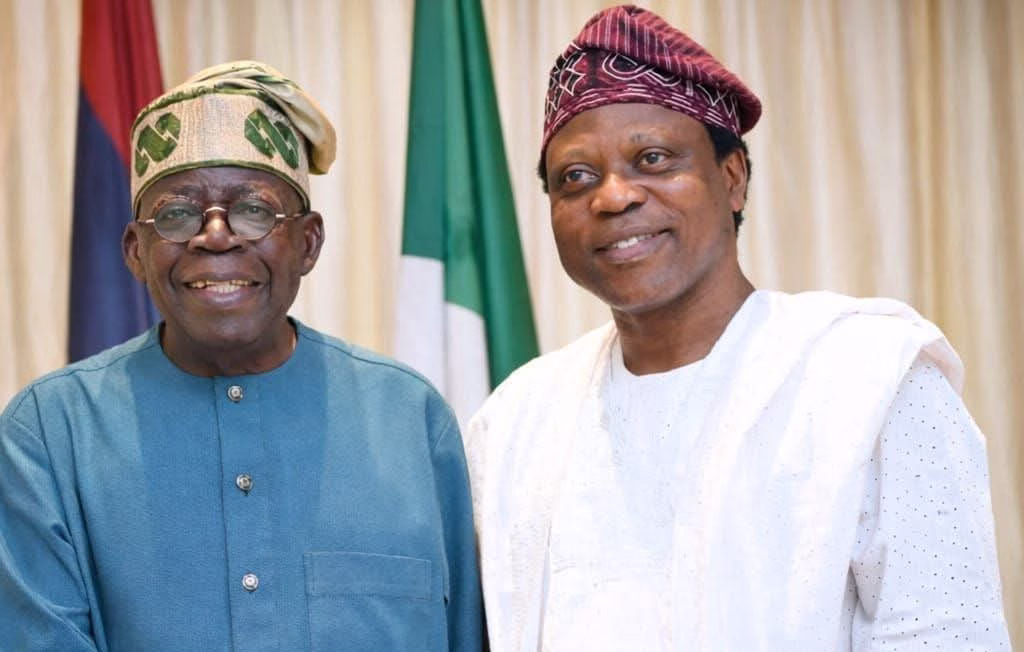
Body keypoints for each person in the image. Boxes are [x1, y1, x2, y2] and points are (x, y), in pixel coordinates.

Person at [465, 6, 1010, 650]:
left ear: (732, 179)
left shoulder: (870, 378)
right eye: (575, 178)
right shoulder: (517, 419)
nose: (612, 197)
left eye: (652, 158)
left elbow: (946, 635)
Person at [0, 61, 482, 651]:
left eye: (254, 210)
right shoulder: (50, 434)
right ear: (135, 251)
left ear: (308, 243)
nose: (215, 236)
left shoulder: (409, 419)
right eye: (177, 215)